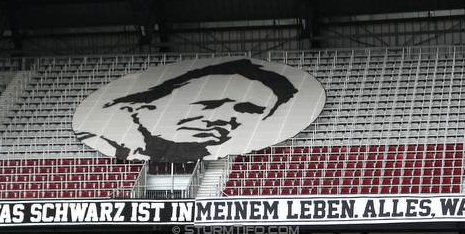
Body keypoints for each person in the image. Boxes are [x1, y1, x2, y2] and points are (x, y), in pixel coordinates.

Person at [74, 58, 299, 162]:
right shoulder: (103, 138)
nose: (227, 119)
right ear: (151, 104)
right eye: (212, 103)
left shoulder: (205, 152)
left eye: (247, 110)